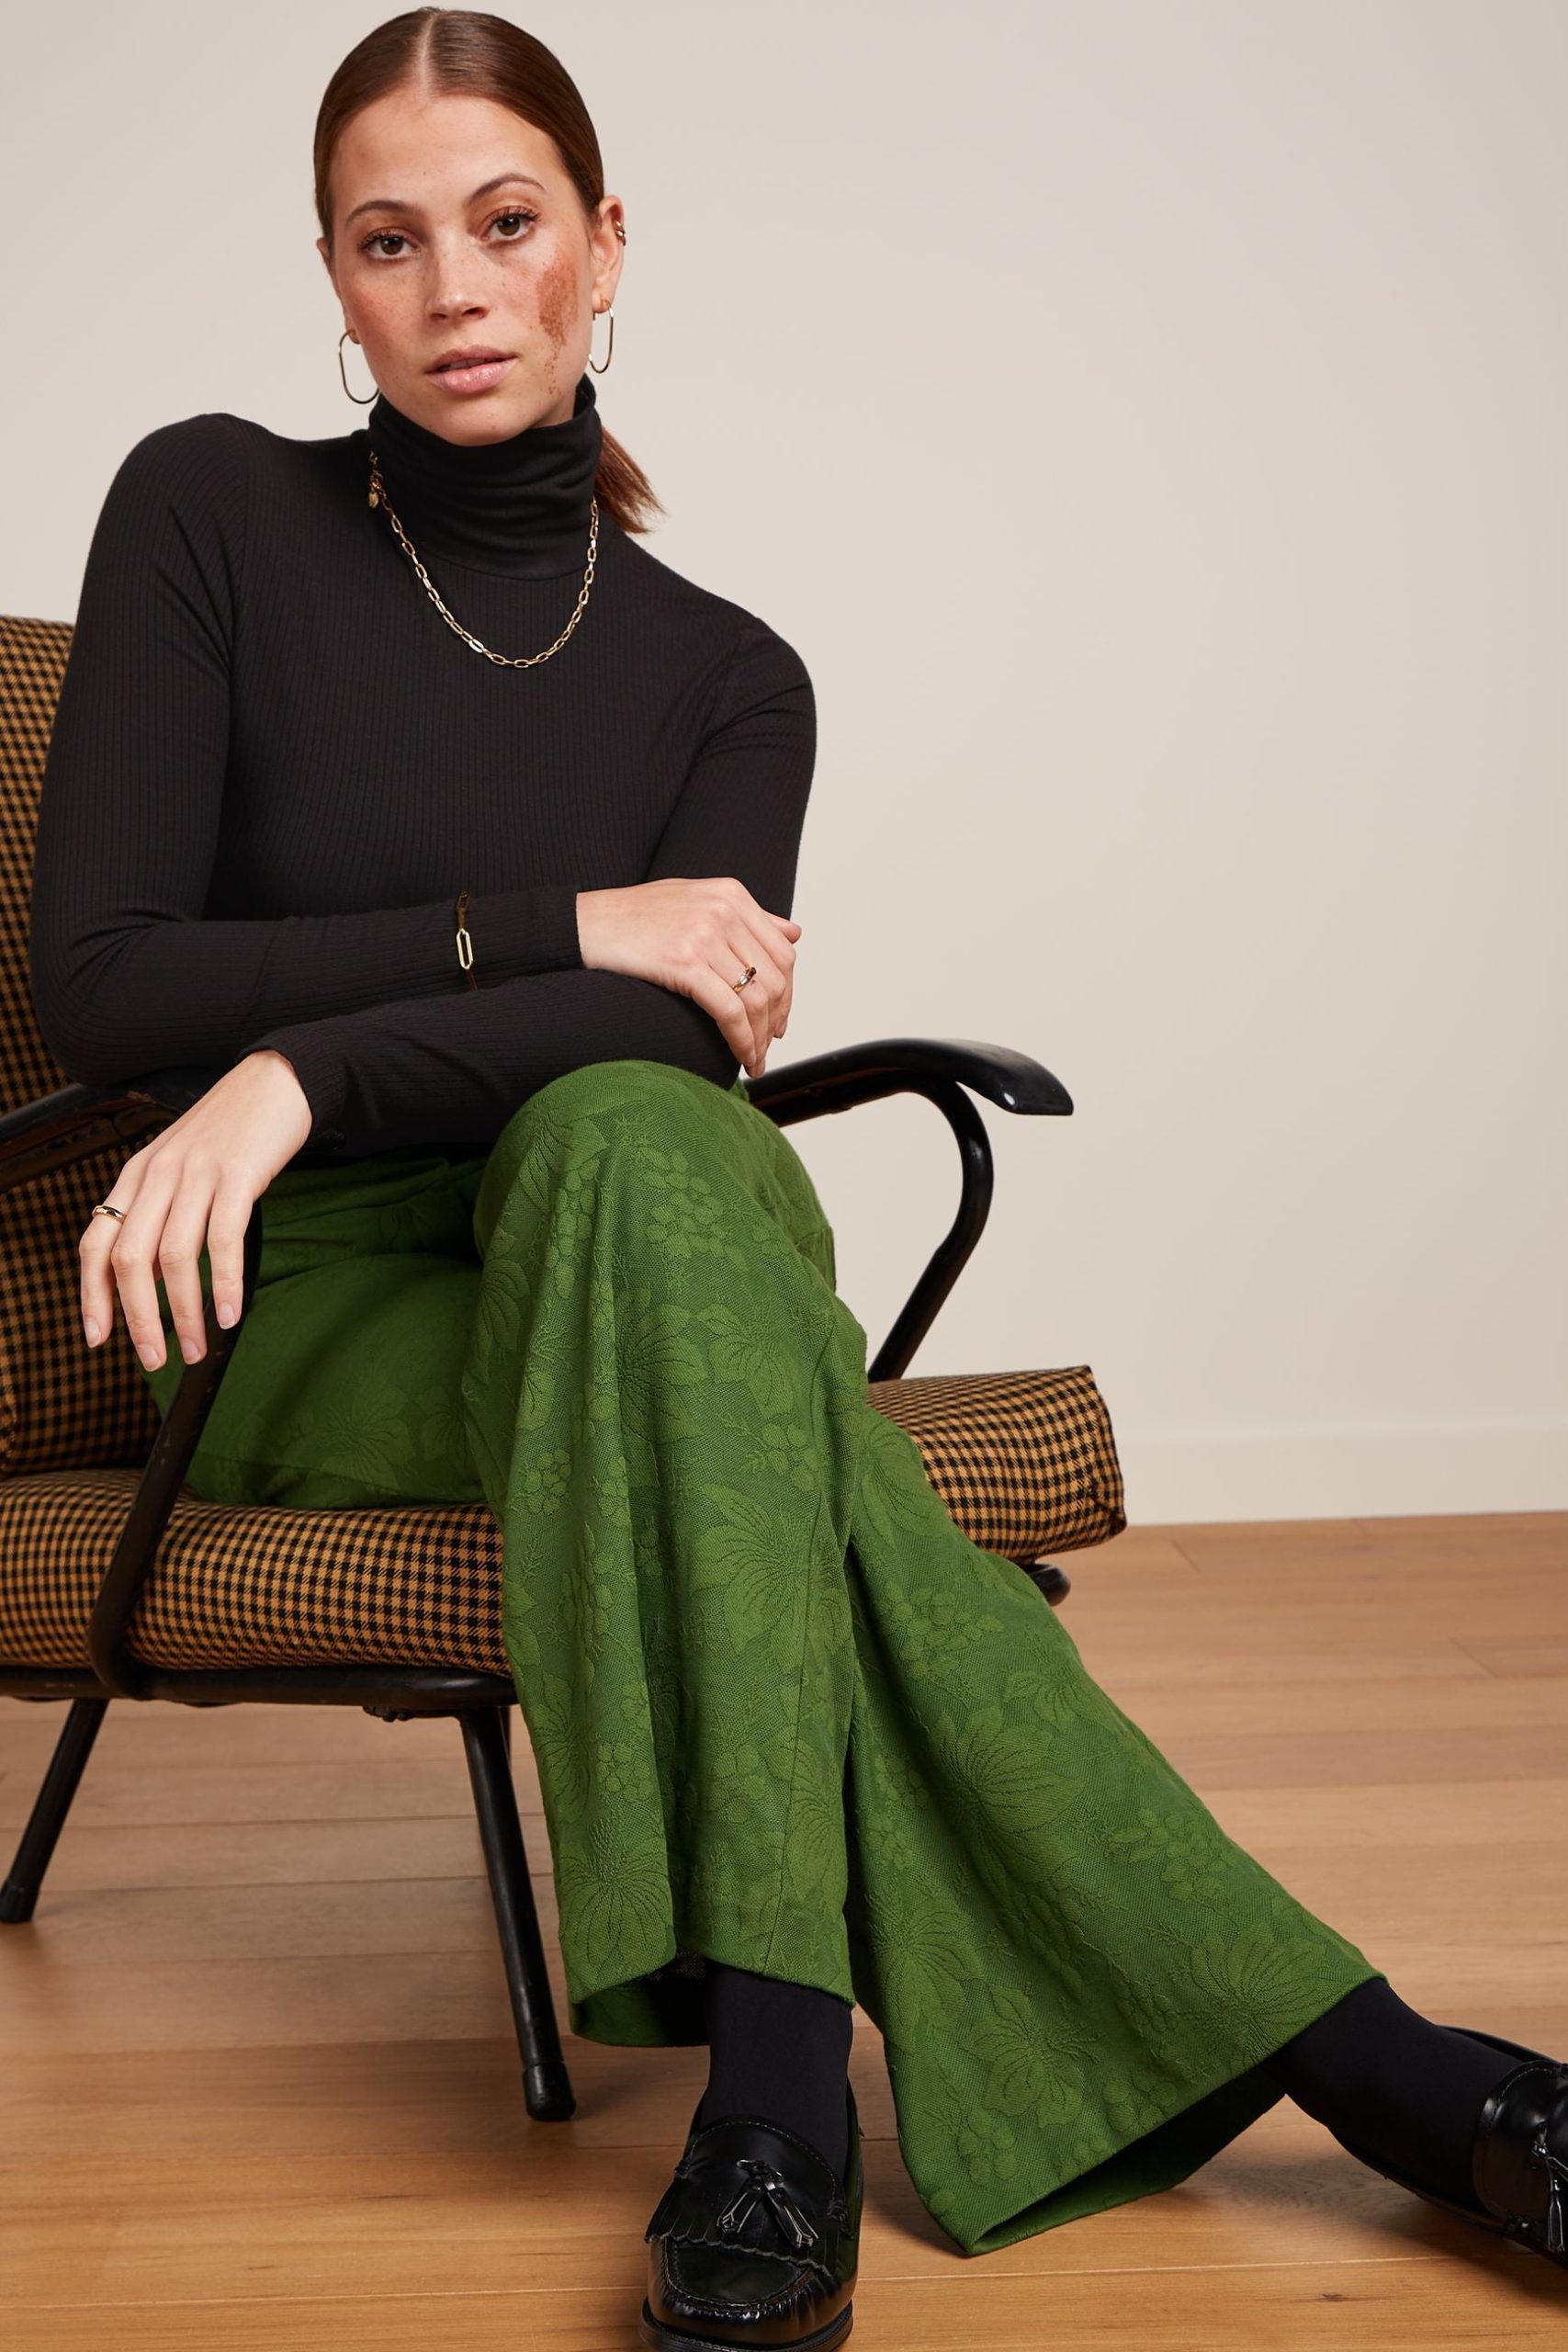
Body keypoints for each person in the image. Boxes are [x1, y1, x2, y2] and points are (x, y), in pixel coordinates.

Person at [28, 11, 1566, 2347]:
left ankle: (776, 2112)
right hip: (296, 1287)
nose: (455, 284)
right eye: (388, 240)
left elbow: (670, 1039)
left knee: (631, 1141)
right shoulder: (209, 511)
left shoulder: (728, 676)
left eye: (505, 222)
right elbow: (108, 980)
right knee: (717, 1327)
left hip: (628, 1217)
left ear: (603, 241)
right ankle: (1373, 2071)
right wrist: (517, 959)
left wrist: (303, 1061)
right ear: (332, 281)